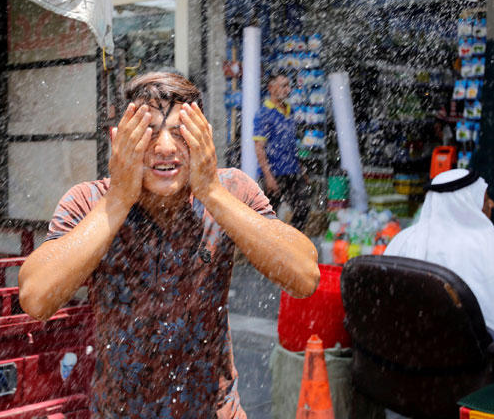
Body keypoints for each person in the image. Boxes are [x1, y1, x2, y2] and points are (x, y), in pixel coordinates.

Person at [18, 71, 319, 419]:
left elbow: (304, 276)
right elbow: (36, 298)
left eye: (180, 133)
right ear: (119, 139)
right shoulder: (91, 201)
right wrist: (118, 200)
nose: (165, 148)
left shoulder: (231, 190)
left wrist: (211, 191)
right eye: (147, 133)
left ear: (204, 137)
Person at [385, 169, 494, 348]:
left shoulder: (402, 240)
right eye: (486, 198)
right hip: (480, 366)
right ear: (468, 204)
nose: (492, 204)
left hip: (409, 356)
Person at [253, 72, 310, 231]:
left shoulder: (290, 111)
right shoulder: (263, 114)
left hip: (292, 171)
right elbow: (259, 147)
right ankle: (264, 252)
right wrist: (268, 176)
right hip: (274, 173)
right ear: (271, 88)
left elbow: (291, 145)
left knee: (303, 209)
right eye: (283, 86)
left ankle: (292, 246)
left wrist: (301, 169)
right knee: (267, 219)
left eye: (288, 85)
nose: (288, 89)